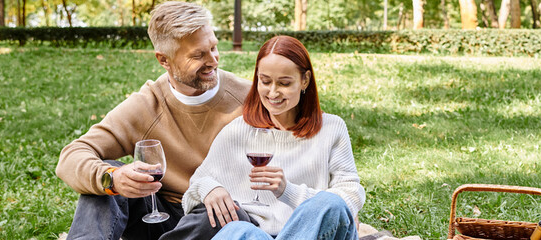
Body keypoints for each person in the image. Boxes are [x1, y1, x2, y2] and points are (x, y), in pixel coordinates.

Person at [55, 2, 251, 239]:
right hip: (159, 215)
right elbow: (72, 155)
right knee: (104, 181)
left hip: (213, 217)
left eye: (213, 47)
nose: (213, 60)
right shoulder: (146, 105)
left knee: (230, 214)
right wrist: (112, 179)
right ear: (164, 60)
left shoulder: (249, 97)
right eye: (198, 55)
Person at [178, 35, 366, 239]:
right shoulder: (238, 130)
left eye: (284, 83)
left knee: (330, 203)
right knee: (237, 230)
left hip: (315, 234)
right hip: (259, 235)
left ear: (305, 80)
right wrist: (209, 188)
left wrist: (288, 191)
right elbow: (197, 182)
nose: (273, 93)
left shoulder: (331, 128)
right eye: (265, 81)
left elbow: (351, 194)